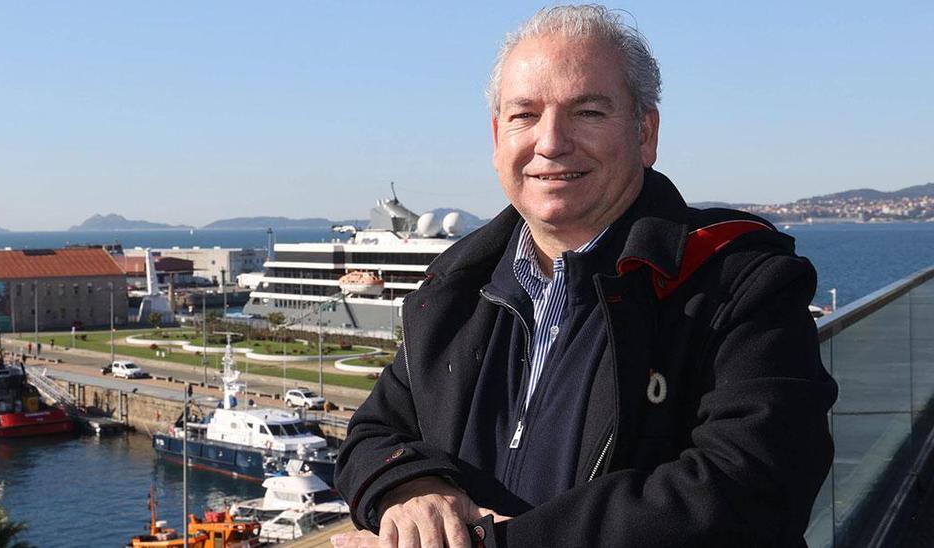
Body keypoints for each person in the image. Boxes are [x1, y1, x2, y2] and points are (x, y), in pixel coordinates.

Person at [333, 5, 837, 547]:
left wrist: (490, 544)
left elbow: (750, 487)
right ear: (497, 136)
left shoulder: (738, 281)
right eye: (524, 115)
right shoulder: (454, 290)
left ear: (645, 132)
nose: (550, 142)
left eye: (588, 112)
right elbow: (371, 433)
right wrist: (411, 485)